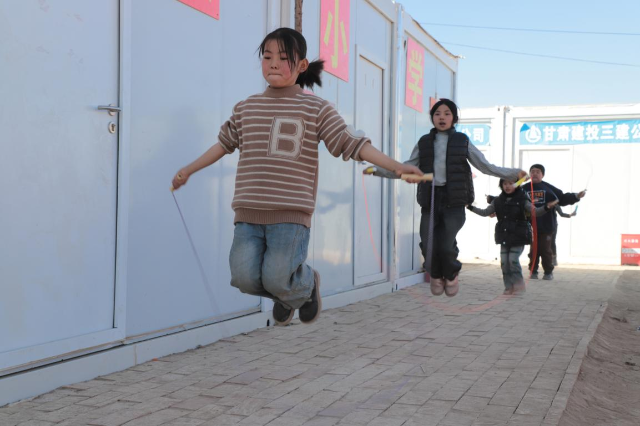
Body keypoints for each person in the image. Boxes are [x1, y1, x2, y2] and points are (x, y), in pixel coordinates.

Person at [171, 28, 423, 327]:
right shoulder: (245, 107)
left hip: (290, 214)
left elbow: (351, 143)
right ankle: (291, 294)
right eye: (267, 57)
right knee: (243, 278)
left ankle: (303, 285)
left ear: (302, 65)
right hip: (248, 212)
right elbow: (222, 145)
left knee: (277, 277)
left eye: (283, 58)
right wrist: (189, 169)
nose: (273, 64)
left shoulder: (315, 108)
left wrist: (397, 166)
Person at [365, 99, 526, 297]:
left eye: (447, 113)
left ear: (454, 118)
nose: (442, 117)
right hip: (430, 200)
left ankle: (450, 275)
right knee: (427, 243)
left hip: (454, 201)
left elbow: (485, 166)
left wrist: (513, 174)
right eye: (437, 113)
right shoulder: (424, 142)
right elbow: (405, 167)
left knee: (445, 243)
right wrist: (377, 170)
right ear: (432, 118)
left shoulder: (462, 140)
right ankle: (435, 275)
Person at [468, 179, 558, 295]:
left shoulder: (523, 199)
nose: (507, 186)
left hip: (519, 235)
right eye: (505, 184)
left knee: (513, 260)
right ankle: (508, 287)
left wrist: (547, 207)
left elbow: (535, 212)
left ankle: (519, 286)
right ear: (501, 185)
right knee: (504, 263)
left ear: (516, 185)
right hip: (504, 236)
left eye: (510, 183)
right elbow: (485, 212)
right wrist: (469, 207)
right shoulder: (497, 201)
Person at [524, 164, 586, 280]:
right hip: (530, 226)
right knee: (533, 250)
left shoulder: (549, 188)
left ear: (542, 175)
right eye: (532, 171)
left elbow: (562, 198)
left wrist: (576, 196)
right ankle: (533, 271)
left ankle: (548, 272)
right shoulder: (523, 189)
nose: (535, 173)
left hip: (547, 225)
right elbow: (510, 197)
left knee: (545, 249)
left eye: (538, 172)